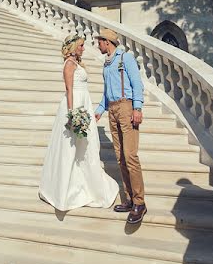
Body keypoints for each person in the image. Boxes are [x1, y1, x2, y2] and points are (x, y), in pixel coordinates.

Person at [38, 34, 119, 211]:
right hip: (75, 106)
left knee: (85, 146)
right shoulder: (68, 64)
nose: (83, 48)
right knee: (71, 148)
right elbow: (69, 89)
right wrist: (72, 114)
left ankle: (86, 183)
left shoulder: (77, 63)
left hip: (84, 103)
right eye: (81, 45)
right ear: (73, 47)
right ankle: (65, 189)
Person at [94, 28, 147, 224]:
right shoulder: (106, 64)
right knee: (120, 157)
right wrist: (100, 109)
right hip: (113, 110)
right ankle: (130, 199)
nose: (97, 44)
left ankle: (140, 203)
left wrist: (137, 108)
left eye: (99, 41)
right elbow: (106, 92)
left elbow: (137, 84)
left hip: (126, 107)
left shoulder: (126, 58)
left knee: (130, 156)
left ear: (107, 42)